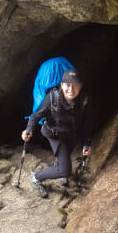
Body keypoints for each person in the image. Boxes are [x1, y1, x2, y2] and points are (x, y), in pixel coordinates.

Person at [21, 69, 93, 198]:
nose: (71, 89)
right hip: (54, 134)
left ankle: (59, 166)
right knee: (65, 170)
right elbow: (36, 115)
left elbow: (87, 122)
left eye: (75, 85)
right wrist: (29, 130)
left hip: (71, 134)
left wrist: (87, 143)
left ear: (81, 86)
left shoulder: (84, 99)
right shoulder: (52, 97)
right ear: (61, 85)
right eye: (67, 84)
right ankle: (36, 178)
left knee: (64, 159)